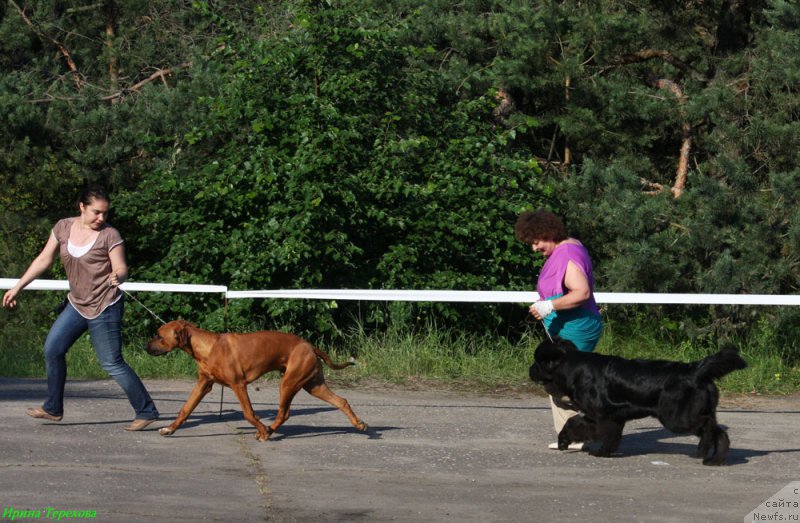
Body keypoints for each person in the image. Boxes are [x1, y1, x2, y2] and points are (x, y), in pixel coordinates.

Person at [2, 185, 159, 431]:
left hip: (105, 306)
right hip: (77, 304)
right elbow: (44, 258)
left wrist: (118, 276)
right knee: (53, 349)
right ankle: (53, 408)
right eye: (97, 212)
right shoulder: (63, 227)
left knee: (111, 363)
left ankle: (146, 410)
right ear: (82, 207)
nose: (102, 218)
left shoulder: (110, 235)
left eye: (105, 214)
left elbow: (122, 268)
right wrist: (18, 287)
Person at [515, 209, 602, 450]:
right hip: (567, 327)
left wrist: (549, 305)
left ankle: (602, 414)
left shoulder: (567, 253)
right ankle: (573, 436)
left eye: (536, 242)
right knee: (555, 380)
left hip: (577, 328)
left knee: (563, 383)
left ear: (548, 233)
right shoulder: (568, 248)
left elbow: (581, 292)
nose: (534, 249)